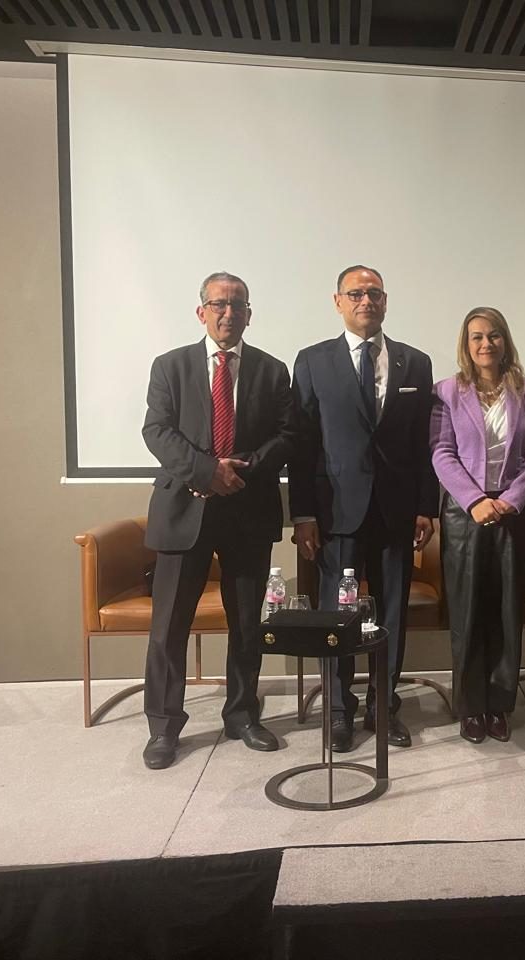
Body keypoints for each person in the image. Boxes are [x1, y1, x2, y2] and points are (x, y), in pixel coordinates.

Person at [140, 272, 300, 770]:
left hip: (248, 510)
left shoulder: (273, 371)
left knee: (247, 622)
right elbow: (156, 430)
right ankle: (164, 727)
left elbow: (288, 435)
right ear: (201, 312)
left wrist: (238, 472)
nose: (228, 313)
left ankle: (242, 715)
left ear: (249, 314)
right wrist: (208, 472)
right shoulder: (170, 366)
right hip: (183, 511)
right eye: (218, 304)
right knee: (169, 627)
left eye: (238, 305)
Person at [289, 265, 438, 752]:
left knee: (391, 612)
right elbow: (302, 444)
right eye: (355, 294)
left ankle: (383, 704)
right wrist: (303, 514)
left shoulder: (415, 362)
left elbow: (423, 442)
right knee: (339, 614)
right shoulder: (312, 361)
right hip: (337, 513)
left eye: (374, 293)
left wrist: (426, 506)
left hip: (396, 511)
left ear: (386, 301)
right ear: (338, 302)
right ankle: (339, 709)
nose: (365, 301)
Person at [430, 307, 525, 743]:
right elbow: (441, 452)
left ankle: (499, 705)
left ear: (505, 341)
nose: (486, 344)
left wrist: (511, 500)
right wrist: (476, 500)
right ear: (466, 344)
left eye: (494, 335)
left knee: (506, 612)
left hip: (513, 512)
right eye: (477, 336)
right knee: (467, 612)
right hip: (465, 514)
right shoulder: (446, 391)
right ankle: (470, 707)